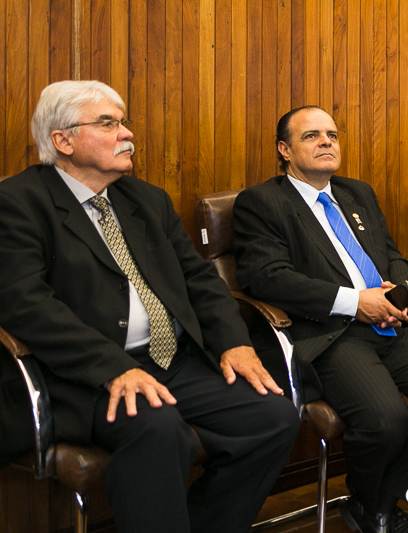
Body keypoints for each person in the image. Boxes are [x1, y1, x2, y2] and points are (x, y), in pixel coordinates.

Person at [0, 80, 300, 533]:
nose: (127, 134)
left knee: (273, 417)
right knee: (159, 431)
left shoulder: (146, 199)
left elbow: (199, 279)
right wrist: (112, 367)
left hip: (169, 360)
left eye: (123, 122)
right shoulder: (18, 203)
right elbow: (26, 304)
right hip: (78, 375)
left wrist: (233, 343)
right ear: (63, 140)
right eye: (108, 123)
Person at [233, 106, 408, 533]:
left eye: (332, 135)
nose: (326, 142)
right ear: (284, 150)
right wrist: (355, 303)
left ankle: (377, 501)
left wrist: (396, 292)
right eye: (311, 135)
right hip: (329, 334)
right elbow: (266, 277)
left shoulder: (357, 193)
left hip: (388, 323)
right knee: (385, 420)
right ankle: (379, 509)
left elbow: (392, 255)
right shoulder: (262, 202)